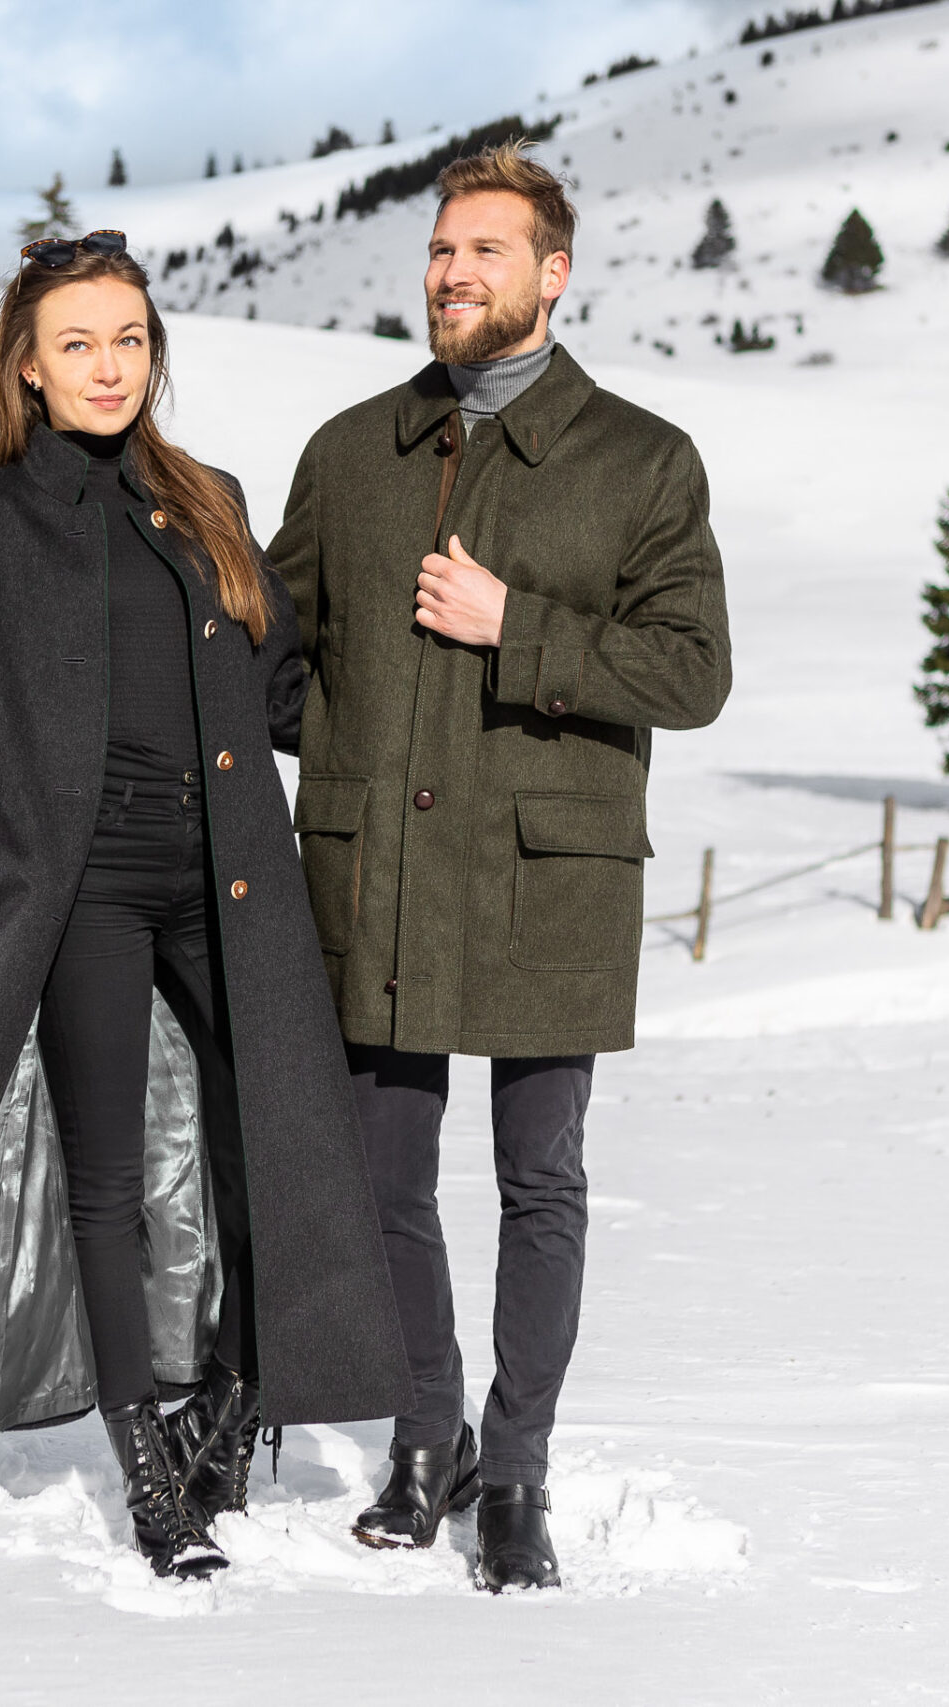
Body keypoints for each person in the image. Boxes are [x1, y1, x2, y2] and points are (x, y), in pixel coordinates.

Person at [0, 231, 408, 1580]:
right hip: (78, 888)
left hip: (231, 878)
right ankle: (147, 1466)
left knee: (276, 1148)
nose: (109, 366)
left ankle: (233, 1406)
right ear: (28, 365)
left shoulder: (213, 504)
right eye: (79, 343)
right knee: (110, 1182)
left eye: (129, 339)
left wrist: (428, 715)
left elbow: (292, 694)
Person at [268, 142, 732, 1592]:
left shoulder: (643, 460)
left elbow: (692, 668)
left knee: (542, 1184)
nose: (453, 273)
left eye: (484, 250)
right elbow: (273, 652)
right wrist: (339, 740)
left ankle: (515, 1463)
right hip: (380, 870)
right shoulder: (352, 454)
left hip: (547, 881)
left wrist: (511, 626)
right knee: (380, 1180)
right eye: (439, 250)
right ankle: (427, 1436)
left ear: (553, 273)